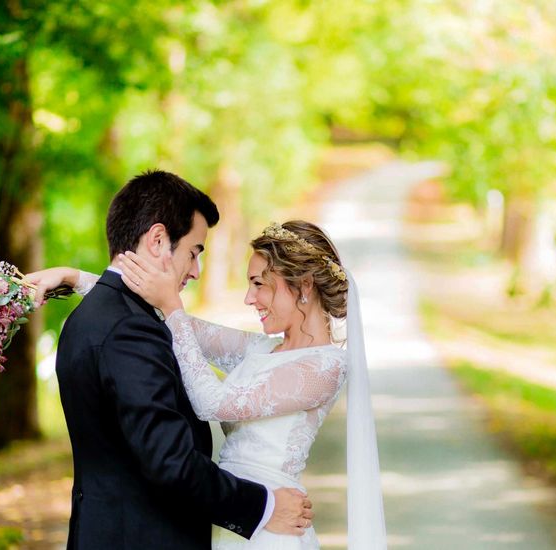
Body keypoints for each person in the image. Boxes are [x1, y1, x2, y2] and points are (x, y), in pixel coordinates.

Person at [31, 219, 387, 549]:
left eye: (259, 284)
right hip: (229, 514)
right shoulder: (263, 348)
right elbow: (180, 326)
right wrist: (75, 277)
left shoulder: (325, 366)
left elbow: (214, 403)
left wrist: (173, 306)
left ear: (304, 285)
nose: (249, 298)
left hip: (270, 527)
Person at [37, 170, 312, 550]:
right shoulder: (130, 330)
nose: (196, 271)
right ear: (157, 240)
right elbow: (172, 462)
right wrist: (264, 506)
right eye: (193, 252)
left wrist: (77, 277)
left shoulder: (98, 316)